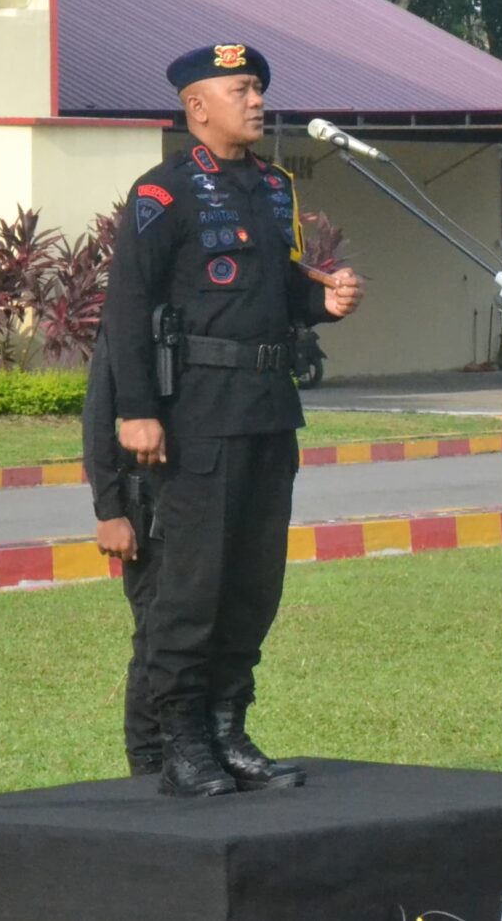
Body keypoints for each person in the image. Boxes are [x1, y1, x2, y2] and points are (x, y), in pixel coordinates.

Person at [96, 42, 367, 797]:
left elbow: (277, 289)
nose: (257, 100)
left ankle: (226, 725)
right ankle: (180, 740)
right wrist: (138, 413)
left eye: (258, 89)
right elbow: (126, 310)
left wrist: (324, 302)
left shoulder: (273, 188)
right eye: (241, 89)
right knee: (193, 585)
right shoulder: (163, 193)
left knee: (254, 583)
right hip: (196, 418)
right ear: (196, 107)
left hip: (267, 411)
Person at [85, 325, 162, 775]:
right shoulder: (130, 317)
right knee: (156, 630)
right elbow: (98, 418)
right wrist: (109, 511)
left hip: (199, 495)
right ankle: (148, 757)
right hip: (144, 501)